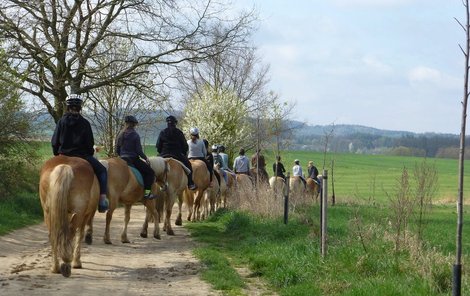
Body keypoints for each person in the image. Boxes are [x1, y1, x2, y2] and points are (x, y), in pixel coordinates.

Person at [51, 94, 109, 213]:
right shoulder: (85, 123)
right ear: (80, 107)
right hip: (82, 156)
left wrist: (57, 154)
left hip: (63, 155)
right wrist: (88, 153)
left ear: (67, 107)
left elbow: (54, 141)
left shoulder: (61, 122)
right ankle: (102, 201)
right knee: (102, 171)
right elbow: (89, 143)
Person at [115, 115, 156, 199]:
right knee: (150, 173)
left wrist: (121, 156)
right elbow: (139, 151)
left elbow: (117, 150)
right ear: (134, 124)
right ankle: (147, 193)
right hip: (132, 159)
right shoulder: (135, 135)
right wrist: (146, 158)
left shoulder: (120, 134)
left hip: (122, 159)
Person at [156, 115, 196, 190]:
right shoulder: (179, 132)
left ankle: (152, 184)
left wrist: (160, 153)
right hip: (177, 155)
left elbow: (158, 146)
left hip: (163, 155)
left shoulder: (162, 132)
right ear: (175, 123)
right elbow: (184, 146)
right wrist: (183, 153)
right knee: (188, 165)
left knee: (153, 166)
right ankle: (190, 183)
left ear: (167, 123)